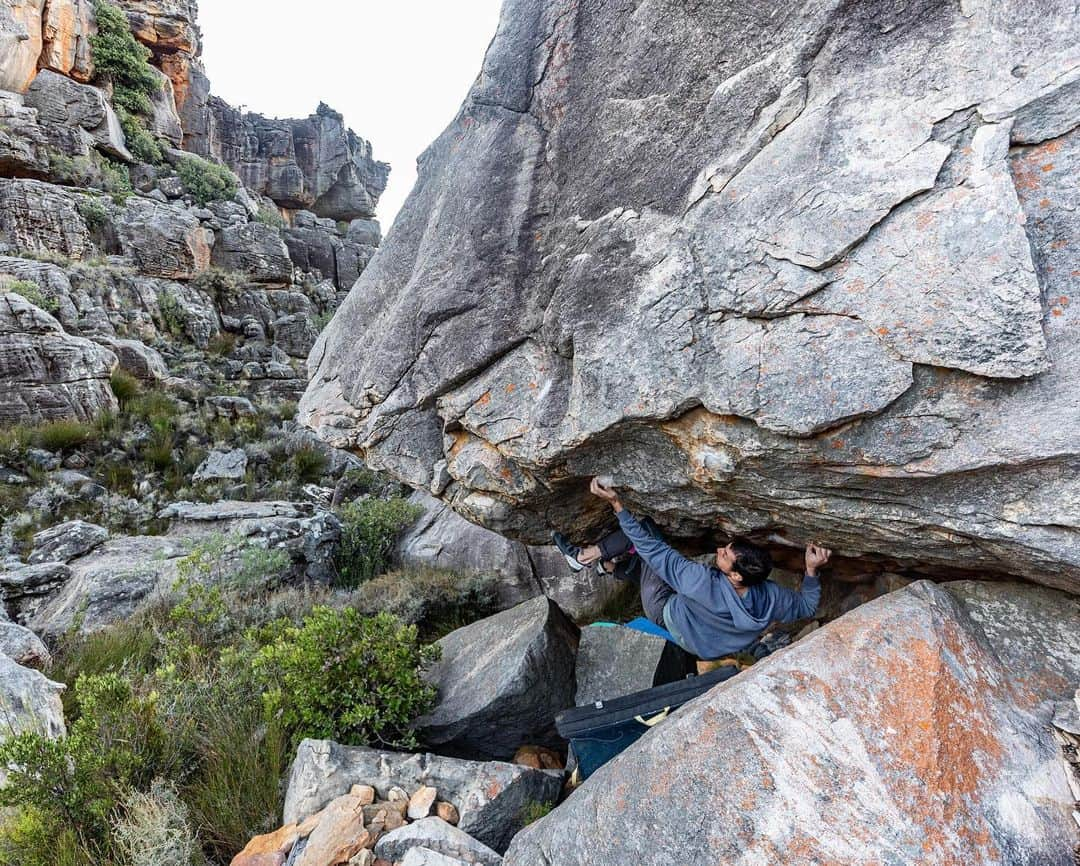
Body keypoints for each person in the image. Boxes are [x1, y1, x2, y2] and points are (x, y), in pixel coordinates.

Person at [554, 478, 830, 661]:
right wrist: (810, 569)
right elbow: (807, 606)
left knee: (648, 534)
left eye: (724, 554)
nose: (720, 549)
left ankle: (584, 558)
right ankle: (611, 567)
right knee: (659, 566)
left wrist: (617, 504)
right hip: (703, 642)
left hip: (666, 612)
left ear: (735, 575)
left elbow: (653, 549)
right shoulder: (772, 597)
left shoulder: (700, 582)